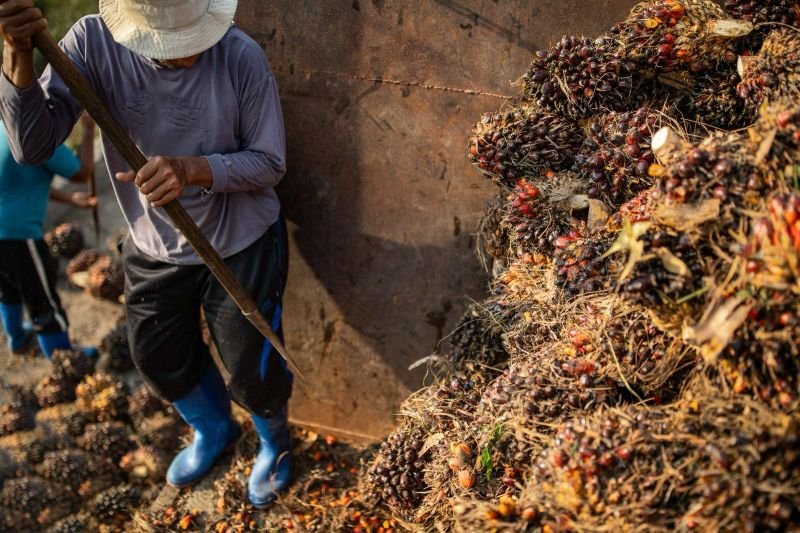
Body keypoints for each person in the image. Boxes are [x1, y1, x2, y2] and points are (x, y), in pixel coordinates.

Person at [0, 0, 293, 506]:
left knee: (253, 365)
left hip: (240, 242)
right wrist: (18, 57)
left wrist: (193, 169)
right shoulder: (91, 43)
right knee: (158, 355)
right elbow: (32, 147)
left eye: (194, 37)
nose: (187, 54)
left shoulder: (239, 56)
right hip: (153, 239)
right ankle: (214, 430)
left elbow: (270, 162)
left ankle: (275, 444)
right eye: (169, 44)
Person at [0, 113, 98, 359]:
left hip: (3, 233)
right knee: (42, 300)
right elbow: (81, 172)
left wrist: (70, 200)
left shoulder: (4, 127)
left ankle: (18, 340)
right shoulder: (38, 134)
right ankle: (65, 359)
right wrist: (88, 129)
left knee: (8, 290)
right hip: (19, 236)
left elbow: (26, 179)